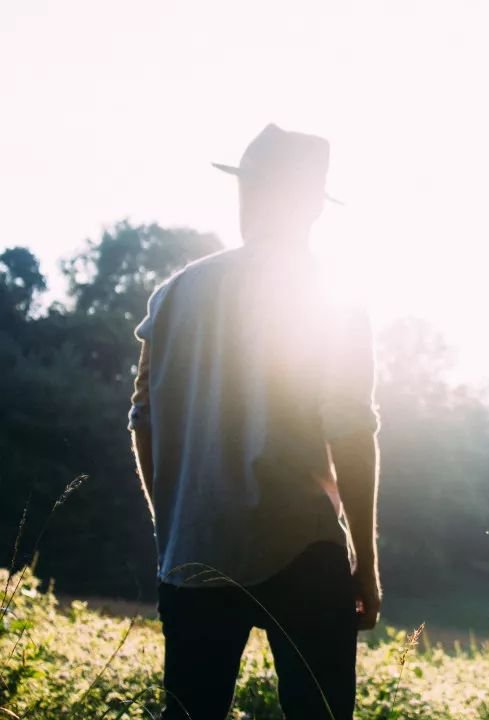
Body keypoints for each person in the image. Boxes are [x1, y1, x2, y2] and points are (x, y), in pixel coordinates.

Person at [128, 123, 383, 720]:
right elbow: (350, 431)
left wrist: (172, 530)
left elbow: (143, 421)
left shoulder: (175, 294)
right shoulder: (334, 295)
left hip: (195, 552)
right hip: (304, 550)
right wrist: (365, 566)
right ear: (314, 206)